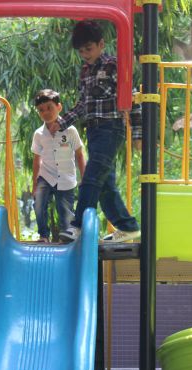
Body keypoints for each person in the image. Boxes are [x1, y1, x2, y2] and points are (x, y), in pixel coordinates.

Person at [49, 20, 141, 243]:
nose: (85, 55)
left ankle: (78, 226)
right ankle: (128, 227)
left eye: (88, 49)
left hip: (111, 129)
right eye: (81, 51)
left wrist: (138, 133)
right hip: (94, 131)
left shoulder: (113, 65)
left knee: (90, 178)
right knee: (105, 185)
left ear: (101, 44)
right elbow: (83, 104)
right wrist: (62, 122)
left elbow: (132, 99)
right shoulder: (85, 71)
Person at [31, 89, 86, 242]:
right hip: (46, 176)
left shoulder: (70, 131)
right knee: (38, 203)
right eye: (41, 110)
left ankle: (66, 237)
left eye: (49, 107)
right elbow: (36, 159)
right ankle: (43, 235)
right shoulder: (39, 134)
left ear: (59, 107)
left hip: (66, 178)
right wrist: (34, 184)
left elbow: (79, 155)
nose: (46, 112)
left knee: (66, 211)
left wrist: (85, 179)